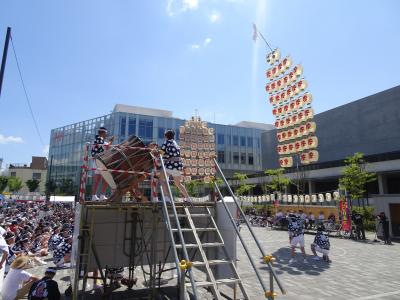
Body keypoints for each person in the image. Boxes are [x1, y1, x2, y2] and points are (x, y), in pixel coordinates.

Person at [160, 130, 191, 203]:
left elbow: (161, 153)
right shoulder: (175, 143)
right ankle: (188, 198)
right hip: (178, 165)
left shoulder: (166, 142)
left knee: (162, 180)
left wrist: (156, 156)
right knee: (178, 183)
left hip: (170, 164)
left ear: (165, 136)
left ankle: (167, 198)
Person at [91, 127, 114, 201]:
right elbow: (106, 147)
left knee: (98, 179)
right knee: (105, 178)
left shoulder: (96, 139)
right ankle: (100, 195)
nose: (106, 135)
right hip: (100, 161)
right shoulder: (99, 139)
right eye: (105, 133)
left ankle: (95, 196)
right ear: (102, 133)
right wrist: (111, 141)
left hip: (97, 161)